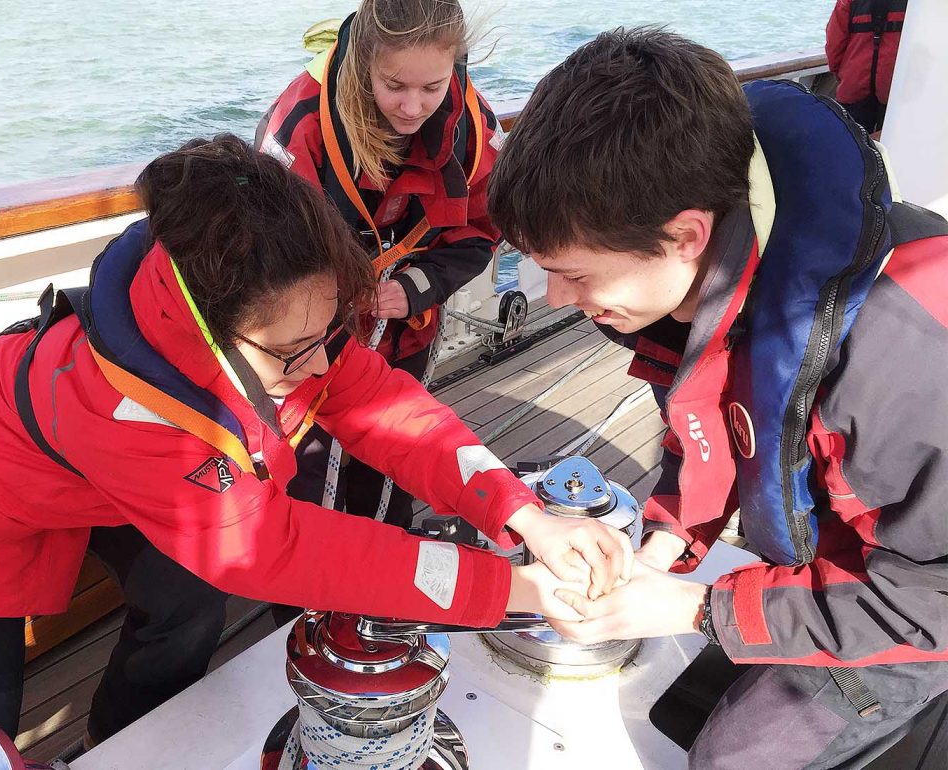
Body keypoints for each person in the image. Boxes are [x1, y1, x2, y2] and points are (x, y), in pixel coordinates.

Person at [0, 135, 631, 769]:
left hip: (93, 487)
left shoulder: (279, 312)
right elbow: (270, 548)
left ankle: (124, 745)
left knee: (186, 604)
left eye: (331, 335)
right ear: (209, 341)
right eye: (295, 354)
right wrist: (510, 587)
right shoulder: (125, 410)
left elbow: (385, 403)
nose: (323, 366)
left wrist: (523, 514)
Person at [487, 28, 948, 769]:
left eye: (574, 273)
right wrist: (666, 543)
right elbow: (717, 418)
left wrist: (697, 608)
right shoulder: (709, 279)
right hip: (823, 562)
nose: (556, 298)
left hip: (904, 609)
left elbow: (931, 602)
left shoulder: (909, 357)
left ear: (684, 236)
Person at [256, 0, 504, 528]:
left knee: (395, 461)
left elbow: (481, 225)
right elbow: (267, 250)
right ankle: (305, 602)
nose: (414, 108)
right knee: (309, 467)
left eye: (432, 88)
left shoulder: (470, 124)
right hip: (313, 338)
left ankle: (387, 583)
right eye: (395, 85)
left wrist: (415, 288)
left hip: (404, 325)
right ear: (364, 61)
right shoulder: (301, 120)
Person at [826, 0, 908, 134]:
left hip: (855, 82)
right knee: (892, 143)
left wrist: (839, 73)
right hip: (895, 86)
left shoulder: (847, 2)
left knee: (852, 142)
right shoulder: (916, 6)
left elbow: (834, 45)